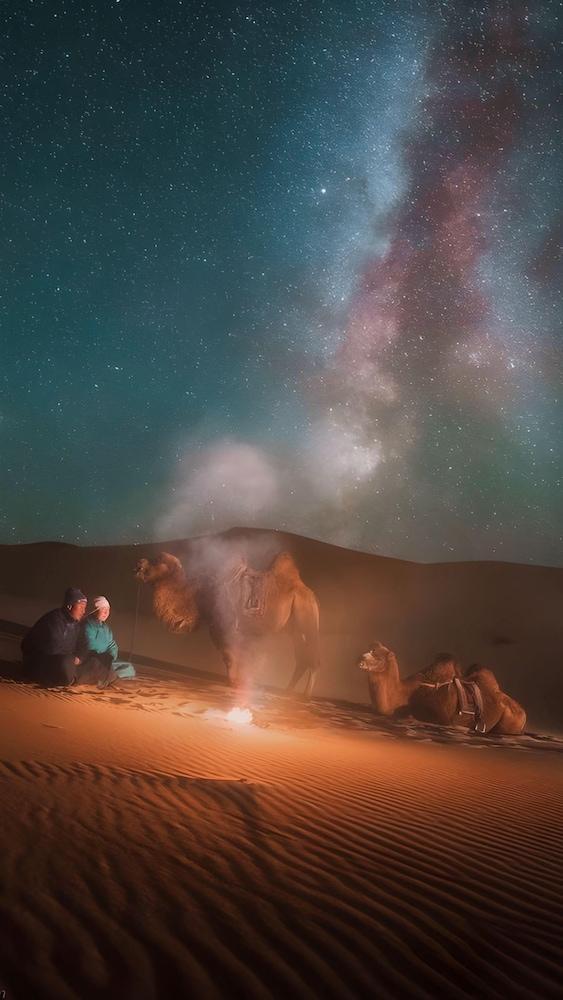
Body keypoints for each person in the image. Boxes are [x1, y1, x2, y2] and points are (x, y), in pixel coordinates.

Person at [21, 587, 89, 686]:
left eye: (85, 608)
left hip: (63, 660)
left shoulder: (76, 625)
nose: (83, 611)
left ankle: (72, 678)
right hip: (41, 662)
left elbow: (84, 645)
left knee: (94, 663)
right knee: (65, 663)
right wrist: (71, 658)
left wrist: (79, 657)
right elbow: (52, 648)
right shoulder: (53, 620)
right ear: (69, 606)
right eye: (81, 607)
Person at [79, 595, 136, 686]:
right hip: (92, 660)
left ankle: (106, 677)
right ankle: (103, 679)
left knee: (128, 667)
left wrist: (111, 656)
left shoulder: (106, 628)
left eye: (108, 609)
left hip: (106, 660)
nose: (106, 612)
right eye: (103, 609)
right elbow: (90, 645)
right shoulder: (87, 625)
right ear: (95, 611)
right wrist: (104, 657)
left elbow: (112, 644)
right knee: (98, 667)